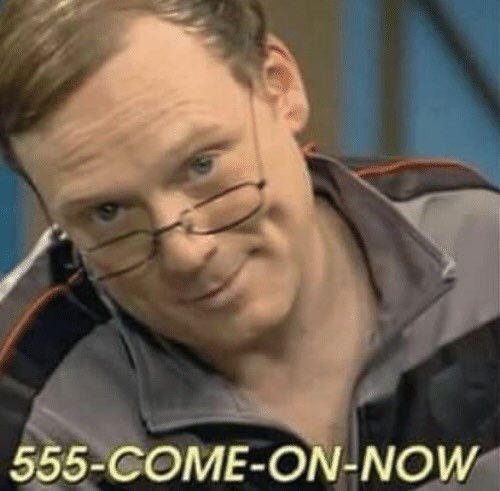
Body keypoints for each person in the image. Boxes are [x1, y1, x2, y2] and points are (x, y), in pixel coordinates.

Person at [0, 1, 498, 490]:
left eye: (202, 165)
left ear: (279, 88)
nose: (186, 254)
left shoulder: (482, 247)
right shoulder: (31, 415)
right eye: (108, 212)